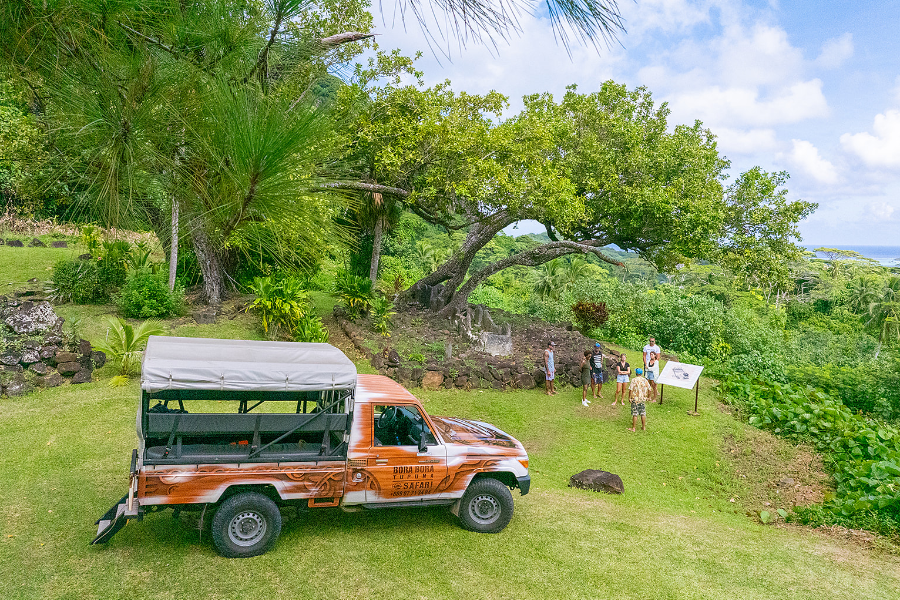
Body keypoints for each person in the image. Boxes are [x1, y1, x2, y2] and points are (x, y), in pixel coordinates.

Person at [628, 367, 651, 432]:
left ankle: (634, 428)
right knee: (643, 413)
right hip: (642, 399)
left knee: (635, 413)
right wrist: (648, 397)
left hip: (635, 399)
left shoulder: (634, 380)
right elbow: (650, 389)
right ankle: (643, 427)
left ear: (636, 373)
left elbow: (630, 389)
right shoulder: (645, 380)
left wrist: (629, 397)